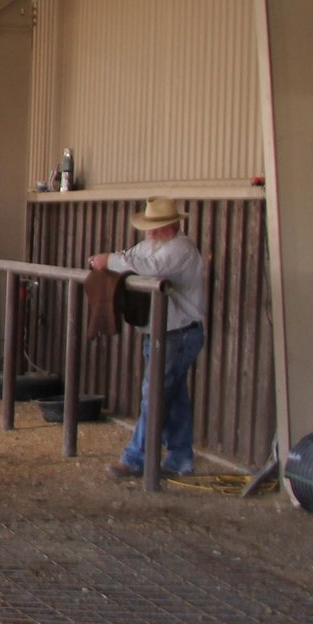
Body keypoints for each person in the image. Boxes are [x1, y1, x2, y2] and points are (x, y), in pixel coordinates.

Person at [88, 197, 209, 478]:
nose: (152, 232)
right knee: (173, 395)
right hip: (165, 332)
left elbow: (148, 267)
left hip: (177, 333)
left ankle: (136, 457)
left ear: (173, 226)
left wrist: (110, 260)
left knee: (153, 392)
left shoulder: (180, 248)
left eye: (159, 227)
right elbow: (135, 258)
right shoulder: (150, 247)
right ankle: (180, 456)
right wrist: (113, 260)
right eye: (150, 227)